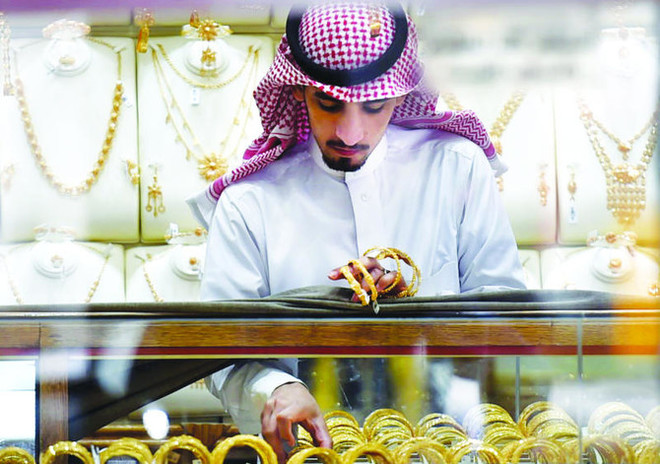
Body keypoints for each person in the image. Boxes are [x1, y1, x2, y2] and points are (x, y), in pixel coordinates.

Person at [188, 2, 526, 462]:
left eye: (373, 107)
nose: (350, 133)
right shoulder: (249, 202)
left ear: (401, 96)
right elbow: (223, 354)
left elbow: (508, 314)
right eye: (329, 105)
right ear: (298, 92)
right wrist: (276, 387)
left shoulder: (456, 168)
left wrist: (418, 304)